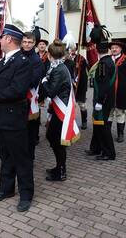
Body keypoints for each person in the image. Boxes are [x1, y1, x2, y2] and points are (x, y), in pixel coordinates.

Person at [0, 24, 34, 212]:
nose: (0, 40)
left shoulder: (22, 61)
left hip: (14, 118)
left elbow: (17, 90)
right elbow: (3, 86)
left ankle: (26, 194)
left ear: (9, 39)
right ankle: (6, 189)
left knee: (21, 157)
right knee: (5, 155)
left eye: (2, 37)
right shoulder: (3, 62)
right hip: (1, 116)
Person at [40, 40, 79, 180]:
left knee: (56, 140)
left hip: (61, 110)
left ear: (50, 55)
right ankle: (59, 167)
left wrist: (44, 81)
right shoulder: (58, 67)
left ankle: (61, 171)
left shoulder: (58, 70)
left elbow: (51, 91)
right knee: (53, 138)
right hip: (58, 108)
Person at [87, 27, 116, 161]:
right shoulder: (109, 61)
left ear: (97, 51)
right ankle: (96, 148)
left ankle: (109, 152)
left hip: (103, 101)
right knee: (98, 125)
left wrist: (99, 101)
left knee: (103, 126)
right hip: (106, 100)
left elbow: (103, 86)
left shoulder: (103, 64)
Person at [22, 32, 45, 159]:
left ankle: (29, 159)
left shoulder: (36, 61)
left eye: (30, 42)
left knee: (30, 134)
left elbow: (32, 81)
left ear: (34, 43)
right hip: (17, 102)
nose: (27, 44)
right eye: (25, 42)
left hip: (29, 102)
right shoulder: (18, 56)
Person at [68, 45, 89, 129]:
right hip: (70, 86)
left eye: (73, 49)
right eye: (70, 48)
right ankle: (70, 122)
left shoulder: (81, 58)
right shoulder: (66, 58)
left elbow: (86, 68)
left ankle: (84, 121)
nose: (71, 50)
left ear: (76, 49)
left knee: (82, 105)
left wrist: (79, 66)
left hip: (80, 86)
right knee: (70, 105)